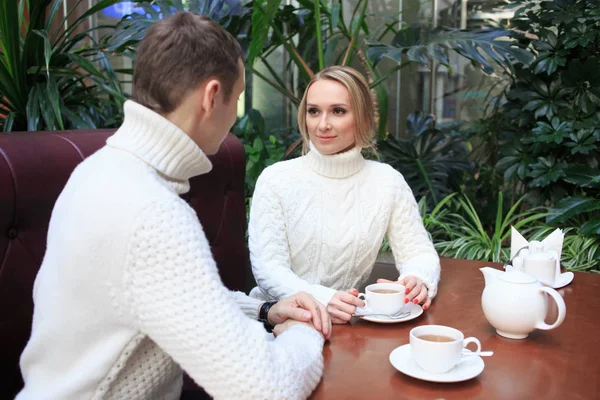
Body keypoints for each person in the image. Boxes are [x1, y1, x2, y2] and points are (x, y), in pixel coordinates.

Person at [17, 12, 330, 400]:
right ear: (212, 96)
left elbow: (164, 300)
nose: (234, 115)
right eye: (236, 99)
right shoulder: (152, 213)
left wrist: (265, 311)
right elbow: (267, 389)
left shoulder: (96, 171)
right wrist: (305, 332)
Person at [248, 66, 441, 324]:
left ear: (362, 117)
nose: (323, 124)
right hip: (274, 322)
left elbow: (419, 252)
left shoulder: (388, 181)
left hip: (347, 326)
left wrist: (418, 278)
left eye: (338, 111)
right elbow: (268, 270)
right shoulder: (275, 180)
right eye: (313, 111)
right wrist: (323, 298)